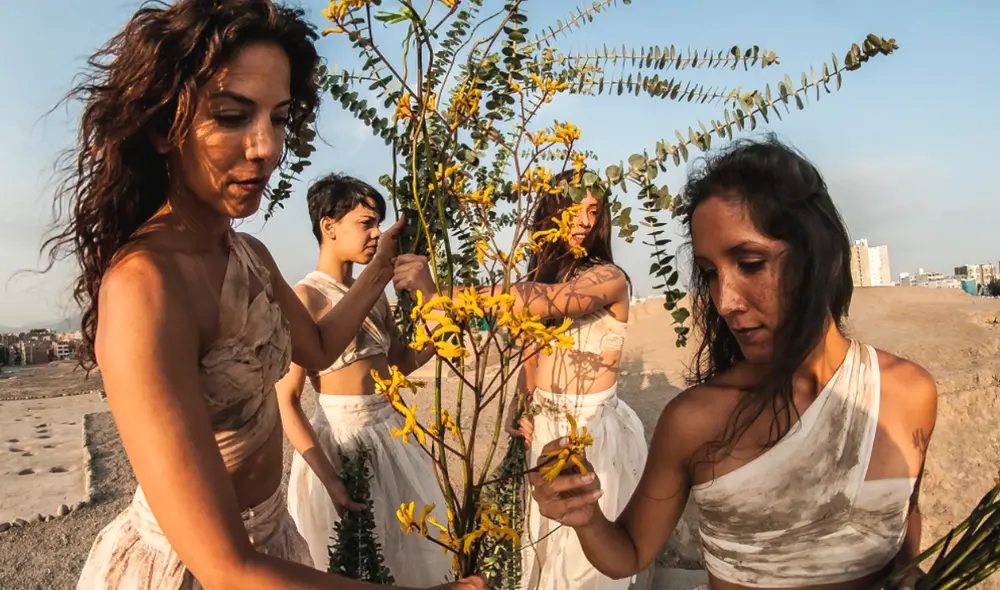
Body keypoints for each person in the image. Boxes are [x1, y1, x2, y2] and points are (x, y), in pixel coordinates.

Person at [41, 1, 483, 588]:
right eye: (231, 116)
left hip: (275, 542)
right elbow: (225, 567)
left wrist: (379, 269)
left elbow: (321, 347)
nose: (266, 147)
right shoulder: (146, 287)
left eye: (278, 118)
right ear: (160, 127)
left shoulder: (248, 254)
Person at [527, 136, 937, 590]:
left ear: (817, 254)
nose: (725, 301)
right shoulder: (695, 420)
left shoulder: (908, 395)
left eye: (750, 262)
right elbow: (628, 553)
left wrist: (912, 574)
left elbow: (902, 527)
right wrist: (585, 517)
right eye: (709, 274)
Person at [277, 173, 452, 583]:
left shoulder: (373, 297)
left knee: (408, 552)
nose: (376, 234)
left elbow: (402, 363)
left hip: (391, 437)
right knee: (349, 561)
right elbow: (286, 401)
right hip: (340, 445)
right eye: (366, 222)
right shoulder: (306, 298)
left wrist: (430, 298)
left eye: (379, 224)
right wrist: (330, 479)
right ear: (329, 225)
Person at [492, 171, 646, 590]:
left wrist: (443, 295)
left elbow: (556, 302)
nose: (582, 222)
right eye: (572, 210)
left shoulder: (607, 277)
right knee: (542, 548)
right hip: (544, 427)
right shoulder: (538, 278)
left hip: (591, 430)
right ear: (549, 213)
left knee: (585, 564)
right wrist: (518, 405)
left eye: (592, 212)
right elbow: (531, 354)